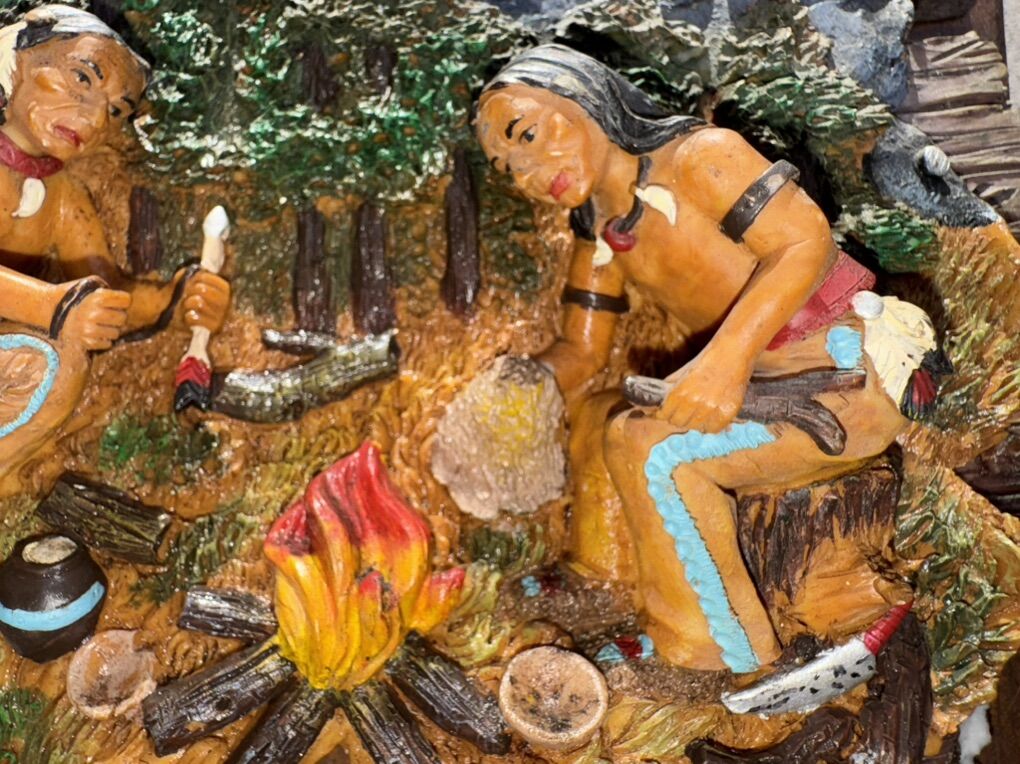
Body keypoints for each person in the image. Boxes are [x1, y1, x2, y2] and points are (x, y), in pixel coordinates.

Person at [476, 44, 937, 673]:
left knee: (651, 449)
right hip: (765, 383)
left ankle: (714, 648)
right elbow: (582, 350)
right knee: (597, 414)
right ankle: (607, 578)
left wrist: (724, 364)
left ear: (582, 94)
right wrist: (521, 389)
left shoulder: (700, 158)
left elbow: (803, 242)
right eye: (507, 168)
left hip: (843, 373)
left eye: (527, 134)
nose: (527, 171)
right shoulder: (605, 232)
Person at [0, 5, 229, 488]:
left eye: (116, 110)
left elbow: (107, 294)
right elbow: (66, 308)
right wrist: (51, 307)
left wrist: (177, 299)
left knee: (51, 363)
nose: (92, 117)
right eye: (81, 77)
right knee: (55, 360)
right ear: (17, 57)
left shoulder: (62, 199)